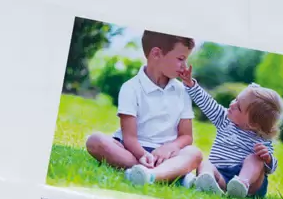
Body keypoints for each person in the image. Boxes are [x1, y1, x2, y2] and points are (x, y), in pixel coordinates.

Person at [83, 30, 204, 187]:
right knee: (95, 141)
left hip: (167, 154)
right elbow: (129, 138)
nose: (184, 66)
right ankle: (171, 174)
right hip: (132, 151)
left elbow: (186, 136)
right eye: (181, 59)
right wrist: (142, 155)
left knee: (195, 153)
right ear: (156, 54)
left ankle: (150, 175)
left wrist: (170, 147)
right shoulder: (131, 88)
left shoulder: (182, 91)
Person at [179, 69, 283, 198]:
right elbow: (207, 103)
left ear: (252, 124)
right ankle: (208, 181)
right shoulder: (224, 119)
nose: (232, 104)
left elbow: (271, 168)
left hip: (249, 181)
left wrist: (268, 158)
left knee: (256, 159)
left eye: (238, 107)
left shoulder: (261, 139)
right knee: (205, 164)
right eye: (235, 99)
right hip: (221, 175)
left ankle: (241, 185)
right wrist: (191, 84)